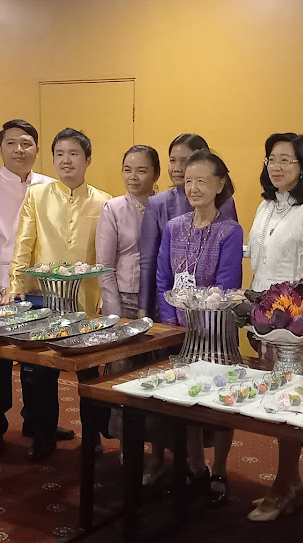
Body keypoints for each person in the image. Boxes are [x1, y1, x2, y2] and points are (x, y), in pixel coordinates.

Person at [0, 119, 77, 457]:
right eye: (11, 143)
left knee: (41, 363)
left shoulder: (51, 184)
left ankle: (40, 426)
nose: (19, 150)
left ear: (37, 149)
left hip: (43, 287)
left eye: (26, 143)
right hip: (0, 287)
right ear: (0, 149)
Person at [3, 128, 111, 460]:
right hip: (42, 299)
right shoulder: (36, 196)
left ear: (88, 159)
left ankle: (93, 437)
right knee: (40, 372)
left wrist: (107, 299)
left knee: (91, 373)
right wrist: (15, 287)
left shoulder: (104, 201)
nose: (66, 160)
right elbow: (24, 245)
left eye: (74, 153)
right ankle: (43, 434)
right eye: (60, 154)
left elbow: (107, 255)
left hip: (87, 301)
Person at [246, 132, 303, 521]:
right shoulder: (266, 206)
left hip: (296, 325)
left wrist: (291, 323)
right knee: (269, 403)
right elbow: (257, 263)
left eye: (286, 159)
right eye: (271, 159)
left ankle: (284, 484)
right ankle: (290, 481)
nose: (276, 166)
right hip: (265, 319)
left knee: (290, 404)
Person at [156, 150, 243, 505]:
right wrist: (171, 323)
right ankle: (194, 465)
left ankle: (219, 467)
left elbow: (226, 285)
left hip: (216, 332)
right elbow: (163, 278)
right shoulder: (173, 227)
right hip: (178, 331)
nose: (193, 187)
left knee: (220, 401)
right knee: (185, 401)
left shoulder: (230, 231)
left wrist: (199, 323)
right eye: (188, 180)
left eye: (202, 180)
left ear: (220, 185)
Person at [138, 134, 237, 320]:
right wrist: (148, 311)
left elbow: (228, 275)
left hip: (213, 321)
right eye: (172, 160)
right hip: (170, 313)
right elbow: (153, 267)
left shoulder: (227, 216)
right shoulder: (167, 218)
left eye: (184, 161)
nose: (177, 168)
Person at [96, 145, 160, 318]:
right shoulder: (113, 208)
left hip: (162, 298)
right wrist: (114, 314)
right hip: (127, 300)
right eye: (127, 170)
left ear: (156, 174)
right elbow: (104, 267)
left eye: (141, 171)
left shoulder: (165, 206)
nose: (132, 177)